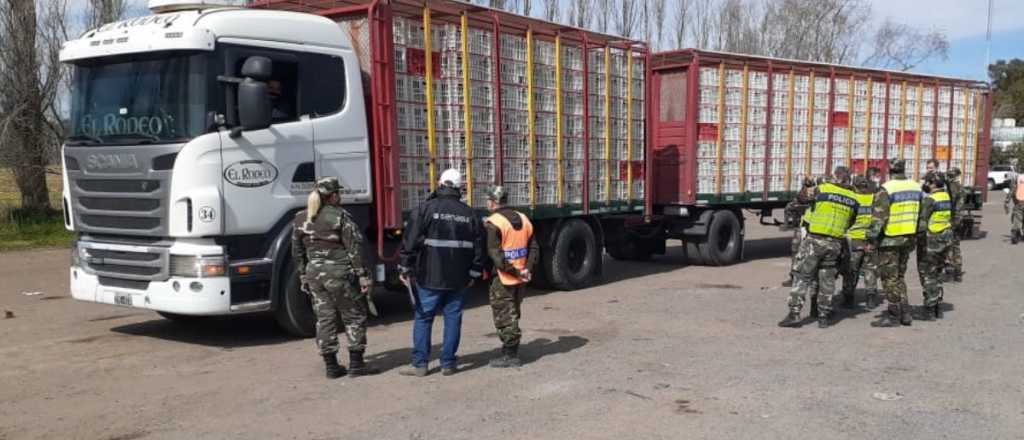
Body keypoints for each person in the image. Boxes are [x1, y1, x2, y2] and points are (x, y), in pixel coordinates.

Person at [399, 169, 486, 377]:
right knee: (453, 318)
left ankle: (420, 364)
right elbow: (480, 248)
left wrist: (405, 266)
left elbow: (410, 240)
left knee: (423, 318)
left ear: (441, 184)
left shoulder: (425, 209)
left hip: (429, 276)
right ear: (459, 188)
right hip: (459, 278)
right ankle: (448, 364)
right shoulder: (470, 213)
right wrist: (474, 273)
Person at [292, 177, 376, 379]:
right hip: (339, 275)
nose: (341, 196)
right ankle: (356, 365)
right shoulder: (340, 217)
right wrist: (363, 276)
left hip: (314, 276)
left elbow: (297, 251)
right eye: (339, 193)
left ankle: (331, 367)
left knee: (324, 318)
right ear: (333, 195)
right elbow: (354, 249)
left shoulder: (301, 218)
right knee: (354, 315)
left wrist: (304, 274)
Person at [778, 167, 860, 329]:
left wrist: (808, 185)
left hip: (814, 241)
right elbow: (851, 221)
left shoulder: (822, 189)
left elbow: (801, 199)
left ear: (835, 177)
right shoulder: (853, 198)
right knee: (827, 279)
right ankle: (823, 316)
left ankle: (794, 314)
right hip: (835, 243)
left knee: (802, 276)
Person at [483, 186, 540, 368]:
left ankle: (511, 355)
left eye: (488, 200)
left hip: (504, 277)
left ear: (493, 202)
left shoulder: (494, 223)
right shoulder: (524, 219)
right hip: (520, 276)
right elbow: (534, 248)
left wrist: (514, 271)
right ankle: (511, 349)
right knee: (513, 312)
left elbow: (496, 255)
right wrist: (526, 269)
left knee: (504, 314)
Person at [869, 159, 923, 327]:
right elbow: (922, 213)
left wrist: (871, 239)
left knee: (889, 278)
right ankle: (905, 313)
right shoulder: (916, 187)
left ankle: (893, 315)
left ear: (890, 170)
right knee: (899, 276)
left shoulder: (886, 189)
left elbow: (879, 218)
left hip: (890, 240)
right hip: (908, 238)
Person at [915, 172, 954, 320]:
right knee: (937, 273)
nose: (924, 184)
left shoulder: (930, 200)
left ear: (932, 183)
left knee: (927, 274)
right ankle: (936, 304)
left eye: (927, 181)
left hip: (931, 241)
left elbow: (922, 223)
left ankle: (930, 309)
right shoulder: (945, 196)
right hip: (945, 239)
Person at [841, 175, 881, 309]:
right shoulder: (874, 198)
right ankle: (871, 298)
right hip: (870, 239)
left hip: (854, 240)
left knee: (851, 270)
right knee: (871, 269)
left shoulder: (851, 198)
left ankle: (848, 298)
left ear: (855, 186)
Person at [782, 177, 817, 288]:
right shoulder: (814, 194)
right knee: (800, 252)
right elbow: (790, 208)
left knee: (802, 253)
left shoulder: (815, 195)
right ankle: (797, 277)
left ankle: (799, 277)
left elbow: (790, 208)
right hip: (806, 227)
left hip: (808, 228)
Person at [944, 167, 965, 281]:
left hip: (950, 219)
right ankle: (957, 271)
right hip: (958, 219)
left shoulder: (951, 187)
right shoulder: (961, 187)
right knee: (956, 246)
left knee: (948, 245)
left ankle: (950, 268)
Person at [1004, 171, 1024, 244]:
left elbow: (1011, 191)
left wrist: (1006, 202)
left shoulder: (1017, 179)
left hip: (1019, 202)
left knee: (1017, 218)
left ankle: (1014, 234)